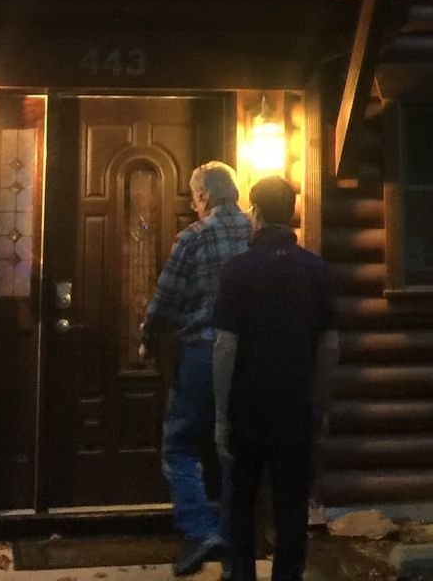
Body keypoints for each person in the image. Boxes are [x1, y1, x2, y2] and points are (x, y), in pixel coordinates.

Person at [212, 176, 338, 581]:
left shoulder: (237, 270)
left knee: (241, 500)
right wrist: (322, 403)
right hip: (296, 404)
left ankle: (242, 575)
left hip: (247, 406)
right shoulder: (316, 270)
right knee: (291, 504)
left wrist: (219, 413)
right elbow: (330, 346)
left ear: (257, 213)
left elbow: (225, 347)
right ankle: (287, 575)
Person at [141, 160, 252, 576]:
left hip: (203, 354)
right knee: (233, 448)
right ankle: (234, 546)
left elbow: (166, 299)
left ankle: (200, 530)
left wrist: (148, 340)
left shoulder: (194, 237)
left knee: (180, 443)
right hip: (249, 358)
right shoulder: (255, 232)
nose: (193, 205)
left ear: (203, 197)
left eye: (194, 197)